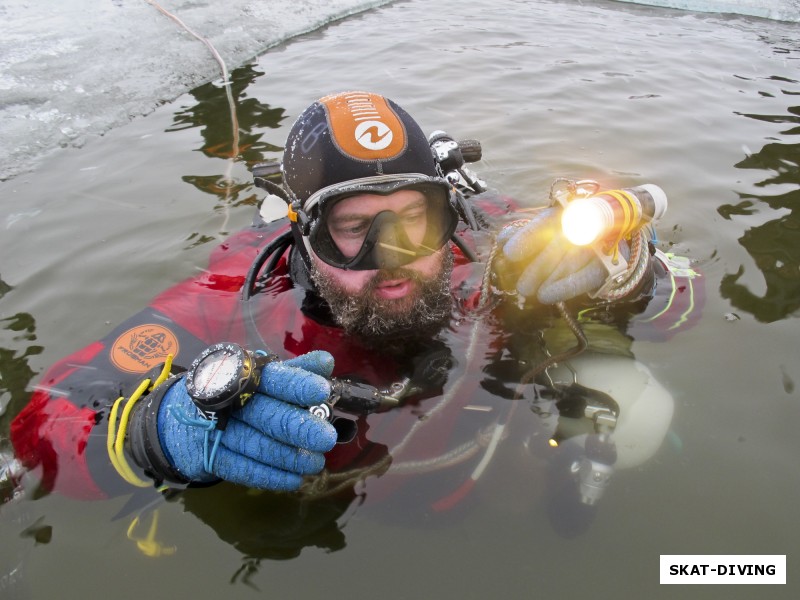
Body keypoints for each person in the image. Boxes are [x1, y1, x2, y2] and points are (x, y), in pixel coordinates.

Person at [7, 91, 700, 545]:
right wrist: (156, 432)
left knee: (642, 409)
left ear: (445, 209)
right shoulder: (239, 295)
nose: (392, 258)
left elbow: (682, 313)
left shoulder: (487, 240)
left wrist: (627, 272)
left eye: (411, 220)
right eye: (353, 228)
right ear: (302, 233)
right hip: (344, 519)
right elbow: (44, 428)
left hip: (476, 488)